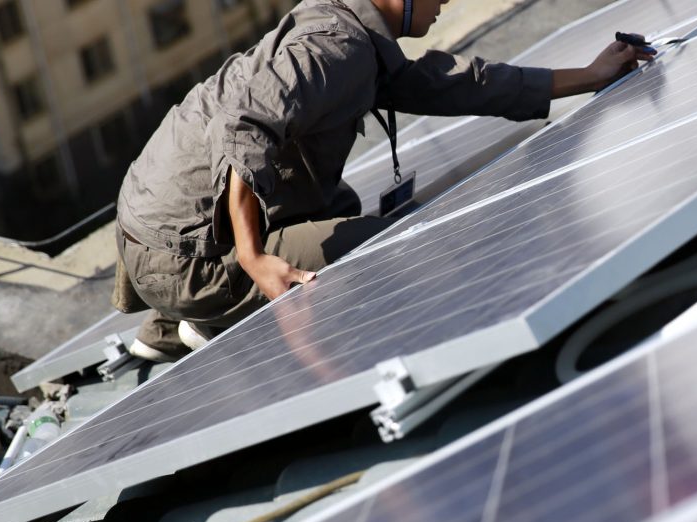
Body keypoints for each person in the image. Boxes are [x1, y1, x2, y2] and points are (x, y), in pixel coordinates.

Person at [113, 0, 651, 362]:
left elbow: (454, 85)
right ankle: (210, 309)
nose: (445, 3)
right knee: (375, 249)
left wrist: (590, 75)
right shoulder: (335, 48)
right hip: (182, 257)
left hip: (155, 227)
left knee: (335, 200)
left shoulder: (348, 31)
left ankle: (170, 322)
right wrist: (254, 259)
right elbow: (241, 126)